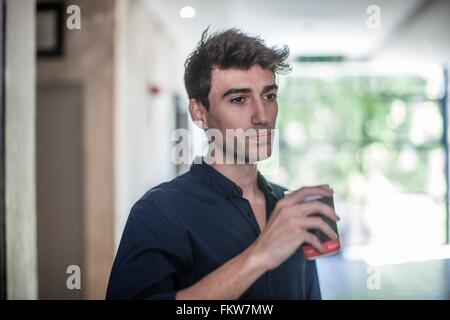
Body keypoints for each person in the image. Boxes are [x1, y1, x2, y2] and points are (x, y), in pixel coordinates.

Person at [106, 28, 338, 300]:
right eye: (239, 99)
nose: (262, 116)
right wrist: (260, 255)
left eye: (269, 96)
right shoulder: (157, 214)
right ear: (199, 113)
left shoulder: (289, 208)